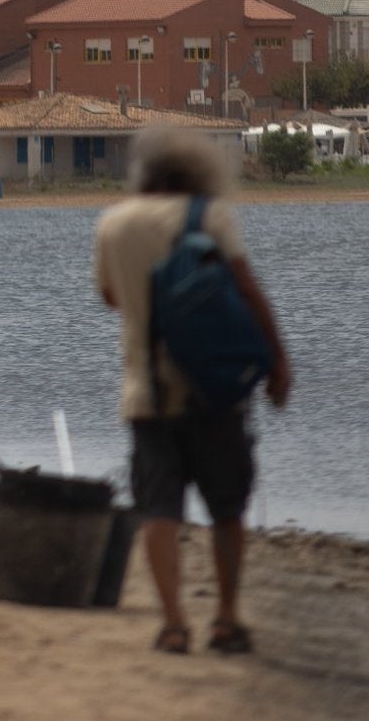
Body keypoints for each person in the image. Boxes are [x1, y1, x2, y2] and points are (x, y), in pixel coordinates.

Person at [94, 127, 291, 657]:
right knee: (226, 508)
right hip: (215, 391)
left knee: (158, 508)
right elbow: (247, 289)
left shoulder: (113, 224)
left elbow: (111, 296)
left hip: (145, 395)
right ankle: (225, 618)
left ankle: (174, 624)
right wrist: (278, 362)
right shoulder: (208, 217)